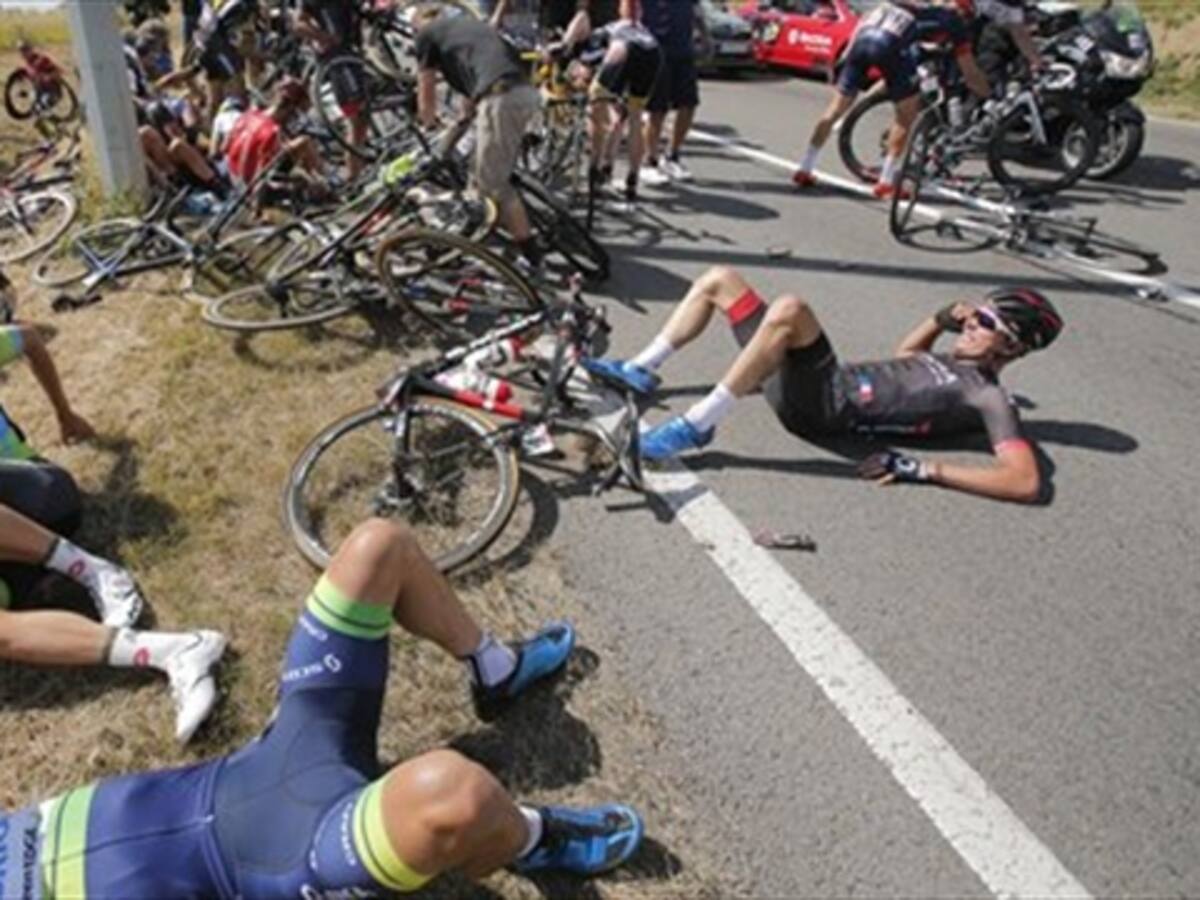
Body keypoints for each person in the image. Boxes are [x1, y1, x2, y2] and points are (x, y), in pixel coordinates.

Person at [0, 519, 645, 898]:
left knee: (377, 547)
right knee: (457, 793)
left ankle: (494, 670)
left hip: (266, 766)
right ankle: (528, 841)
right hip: (285, 858)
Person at [587, 266, 1063, 503]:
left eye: (985, 322)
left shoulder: (988, 396)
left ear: (1012, 347)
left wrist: (926, 470)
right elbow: (905, 361)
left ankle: (696, 426)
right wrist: (939, 319)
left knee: (791, 309)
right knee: (720, 279)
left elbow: (1024, 481)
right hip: (802, 381)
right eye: (975, 315)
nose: (972, 324)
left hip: (825, 405)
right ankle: (643, 367)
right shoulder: (952, 362)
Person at [0, 271, 225, 742]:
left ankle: (92, 570)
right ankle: (172, 651)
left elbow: (30, 338)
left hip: (40, 497)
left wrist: (65, 414)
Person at [792, 0, 992, 200]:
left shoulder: (916, 6)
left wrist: (841, 62)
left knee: (833, 110)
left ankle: (805, 168)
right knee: (905, 116)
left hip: (863, 38)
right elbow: (970, 72)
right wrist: (988, 94)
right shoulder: (953, 21)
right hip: (890, 45)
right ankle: (885, 183)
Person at [415, 7, 543, 268]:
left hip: (501, 98)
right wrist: (460, 124)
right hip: (524, 90)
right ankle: (485, 237)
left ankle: (531, 256)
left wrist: (428, 123)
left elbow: (425, 88)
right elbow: (472, 94)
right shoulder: (467, 28)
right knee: (481, 173)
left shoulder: (426, 34)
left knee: (493, 184)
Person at [571, 0, 663, 205]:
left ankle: (594, 168)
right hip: (652, 52)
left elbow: (587, 59)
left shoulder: (609, 29)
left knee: (597, 102)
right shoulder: (644, 29)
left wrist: (578, 66)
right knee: (636, 118)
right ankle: (632, 178)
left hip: (622, 48)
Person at [293, 0, 369, 179]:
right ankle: (353, 176)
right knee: (357, 118)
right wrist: (325, 37)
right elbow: (298, 24)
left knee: (362, 118)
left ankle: (356, 169)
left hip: (352, 49)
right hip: (338, 58)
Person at [638, 0, 708, 186]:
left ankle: (672, 156)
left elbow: (696, 10)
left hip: (683, 49)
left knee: (689, 103)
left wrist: (705, 36)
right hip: (655, 47)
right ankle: (649, 162)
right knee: (657, 109)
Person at [223, 77, 327, 193]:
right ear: (291, 108)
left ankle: (320, 180)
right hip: (250, 186)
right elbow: (262, 171)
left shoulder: (250, 114)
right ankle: (327, 183)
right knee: (304, 142)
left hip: (231, 176)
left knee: (291, 146)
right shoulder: (272, 132)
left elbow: (224, 147)